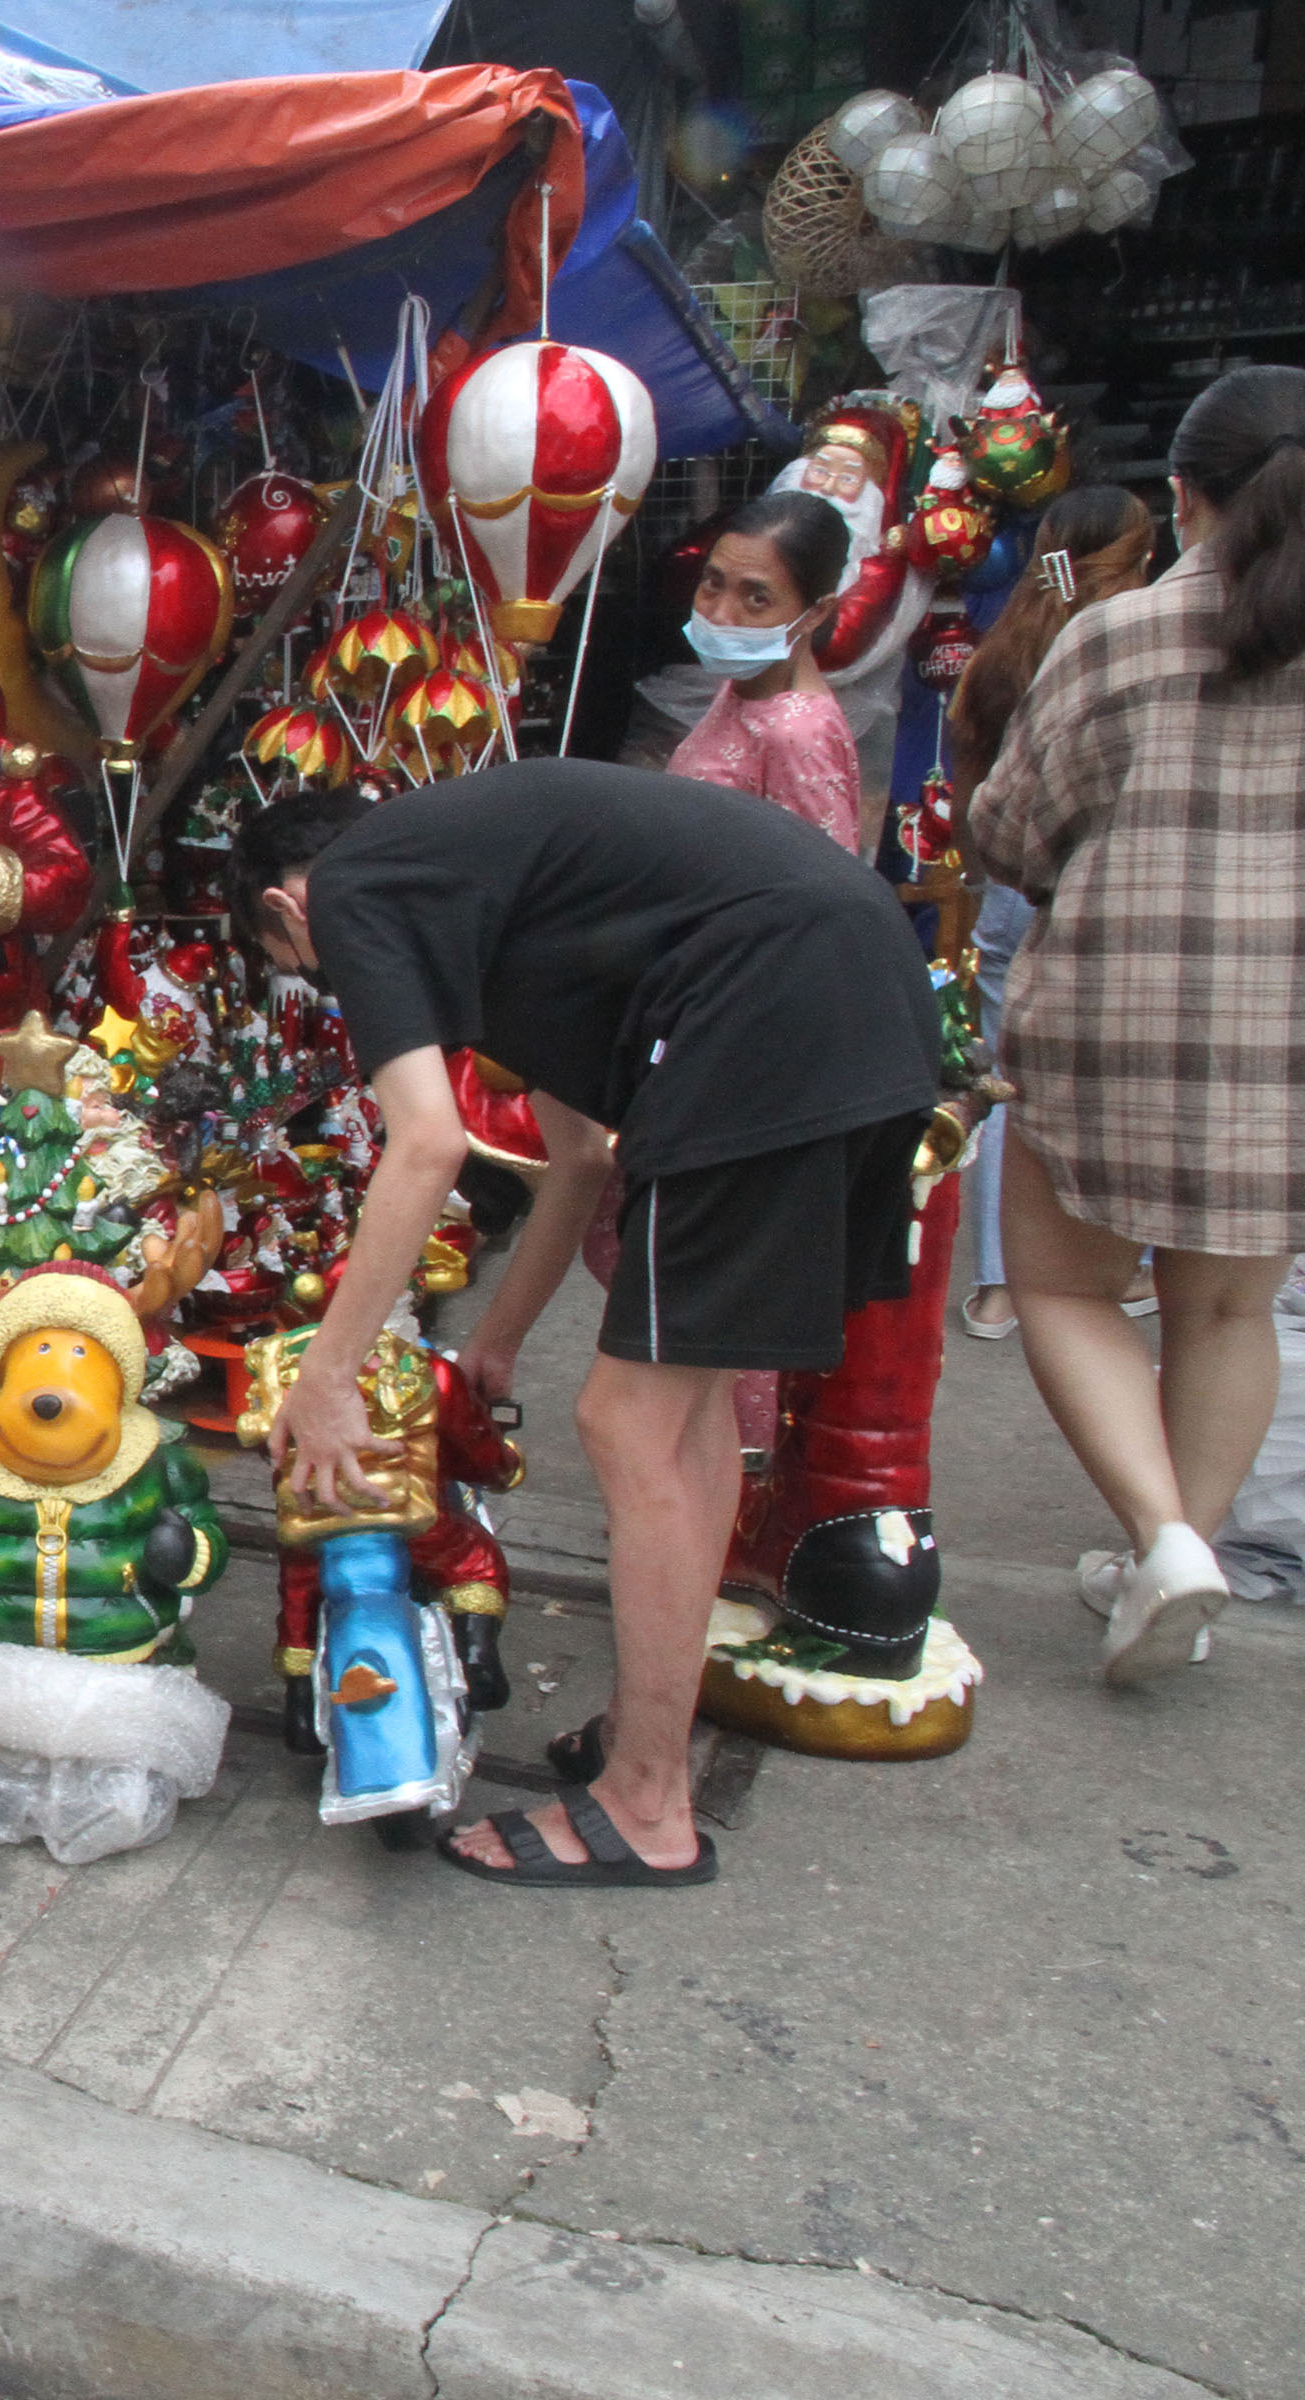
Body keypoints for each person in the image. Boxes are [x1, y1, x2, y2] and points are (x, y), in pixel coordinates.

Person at [233, 761, 938, 1886]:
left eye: (306, 974)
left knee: (629, 1424)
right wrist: (499, 1339)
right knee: (686, 1416)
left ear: (285, 907)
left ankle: (648, 1807)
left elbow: (425, 1145)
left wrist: (325, 1378)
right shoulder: (480, 880)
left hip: (766, 1008)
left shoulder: (358, 883)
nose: (340, 990)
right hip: (857, 988)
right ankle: (649, 1740)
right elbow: (578, 1159)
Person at [967, 364, 1305, 1683]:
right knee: (1227, 1315)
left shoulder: (1114, 639)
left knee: (1063, 1284)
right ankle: (1183, 1555)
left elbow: (1008, 832)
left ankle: (1164, 1541)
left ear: (1183, 499)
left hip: (1109, 1016)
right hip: (1288, 1034)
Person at [939, 485, 1158, 1341]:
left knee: (1005, 1088)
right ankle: (1113, 1260)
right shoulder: (1136, 647)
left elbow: (972, 801)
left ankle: (1000, 1285)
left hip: (1007, 893)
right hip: (1108, 899)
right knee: (1122, 1083)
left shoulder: (1005, 651)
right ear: (1139, 556)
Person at [667, 491, 869, 856]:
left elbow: (821, 889)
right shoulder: (744, 687)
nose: (721, 614)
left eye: (756, 598)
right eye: (712, 583)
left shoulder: (797, 735)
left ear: (816, 613)